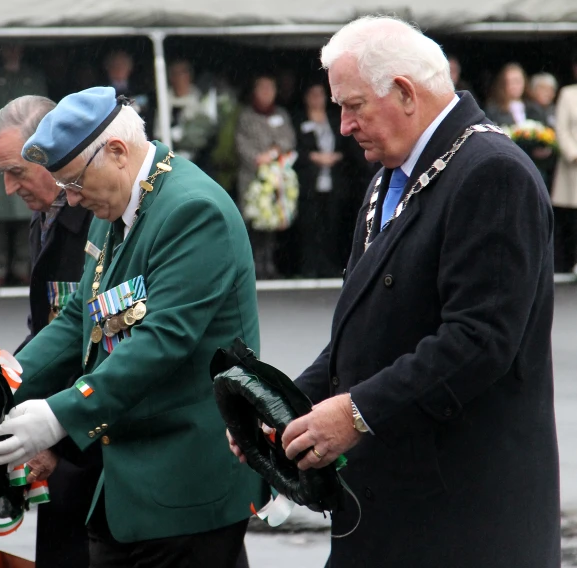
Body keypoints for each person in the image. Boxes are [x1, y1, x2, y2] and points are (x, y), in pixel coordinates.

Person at [228, 15, 559, 568]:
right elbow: (366, 327)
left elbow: (479, 341)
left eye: (353, 105)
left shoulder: (493, 173)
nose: (343, 125)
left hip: (462, 518)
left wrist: (356, 413)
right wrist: (288, 408)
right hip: (388, 506)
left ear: (405, 92)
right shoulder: (394, 170)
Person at [0, 87, 267, 567]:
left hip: (185, 488)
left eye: (72, 184)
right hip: (130, 483)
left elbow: (161, 342)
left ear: (115, 151)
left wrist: (58, 415)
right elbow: (80, 319)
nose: (68, 199)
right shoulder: (115, 202)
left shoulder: (193, 210)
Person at [0, 95, 97, 567]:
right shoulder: (45, 217)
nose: (8, 188)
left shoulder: (97, 218)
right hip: (62, 434)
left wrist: (54, 438)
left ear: (50, 152)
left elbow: (104, 349)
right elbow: (51, 326)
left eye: (16, 171)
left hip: (91, 443)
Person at [0, 43, 48, 287]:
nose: (12, 52)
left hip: (28, 155)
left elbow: (45, 117)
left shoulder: (33, 78)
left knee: (29, 214)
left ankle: (24, 268)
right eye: (7, 48)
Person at [235, 73, 296, 279]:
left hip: (276, 177)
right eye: (262, 89)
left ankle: (269, 264)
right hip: (252, 178)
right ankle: (252, 266)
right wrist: (257, 158)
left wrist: (272, 154)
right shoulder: (246, 115)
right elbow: (240, 144)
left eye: (270, 89)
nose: (267, 93)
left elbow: (288, 140)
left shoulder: (281, 114)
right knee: (252, 222)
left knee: (272, 222)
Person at [292, 80, 346, 278]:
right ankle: (308, 266)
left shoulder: (334, 119)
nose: (317, 99)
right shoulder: (299, 119)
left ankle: (328, 265)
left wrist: (336, 157)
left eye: (320, 94)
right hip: (309, 181)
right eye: (313, 95)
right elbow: (294, 148)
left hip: (332, 181)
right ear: (306, 98)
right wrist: (313, 157)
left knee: (330, 224)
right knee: (309, 225)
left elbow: (347, 146)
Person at [552, 51, 577, 273]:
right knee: (571, 219)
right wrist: (574, 154)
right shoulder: (568, 94)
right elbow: (561, 129)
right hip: (573, 169)